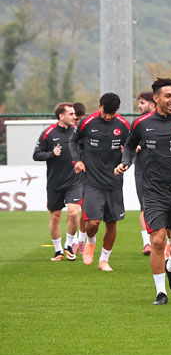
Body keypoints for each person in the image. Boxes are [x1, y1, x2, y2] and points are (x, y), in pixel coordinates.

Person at [117, 78, 171, 305]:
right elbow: (128, 145)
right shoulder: (141, 123)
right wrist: (126, 161)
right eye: (168, 96)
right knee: (157, 241)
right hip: (153, 192)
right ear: (156, 98)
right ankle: (160, 292)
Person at [70, 93, 130, 271]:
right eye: (105, 112)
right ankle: (90, 241)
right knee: (93, 222)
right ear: (99, 106)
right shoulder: (87, 122)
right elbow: (73, 141)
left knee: (112, 223)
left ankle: (104, 260)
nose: (108, 116)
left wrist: (125, 162)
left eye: (112, 114)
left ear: (117, 111)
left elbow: (130, 148)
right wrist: (77, 161)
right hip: (92, 180)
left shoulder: (124, 125)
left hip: (114, 182)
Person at [32, 102, 82, 261]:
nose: (75, 117)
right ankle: (58, 250)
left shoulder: (78, 132)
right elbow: (36, 155)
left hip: (75, 180)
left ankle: (69, 245)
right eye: (71, 114)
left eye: (75, 114)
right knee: (55, 217)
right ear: (61, 116)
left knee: (74, 213)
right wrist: (52, 154)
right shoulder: (48, 133)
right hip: (55, 182)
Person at [133, 91, 156, 255]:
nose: (139, 106)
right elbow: (127, 145)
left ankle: (168, 244)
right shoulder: (137, 123)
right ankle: (147, 243)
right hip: (142, 171)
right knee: (144, 207)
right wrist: (133, 148)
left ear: (152, 104)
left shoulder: (166, 122)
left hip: (163, 172)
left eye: (142, 103)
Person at [72, 102, 89, 254]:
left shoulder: (89, 129)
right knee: (72, 210)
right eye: (74, 119)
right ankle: (71, 240)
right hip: (70, 176)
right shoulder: (68, 132)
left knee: (84, 209)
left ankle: (81, 239)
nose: (76, 122)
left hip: (87, 174)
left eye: (79, 119)